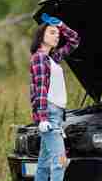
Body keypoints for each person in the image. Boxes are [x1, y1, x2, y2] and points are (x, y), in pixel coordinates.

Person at [30, 13, 80, 181]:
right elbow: (40, 89)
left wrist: (61, 24)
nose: (56, 36)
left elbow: (74, 40)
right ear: (41, 35)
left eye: (57, 34)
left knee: (44, 164)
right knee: (60, 161)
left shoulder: (53, 58)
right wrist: (43, 118)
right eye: (52, 32)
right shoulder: (40, 57)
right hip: (49, 115)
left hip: (56, 115)